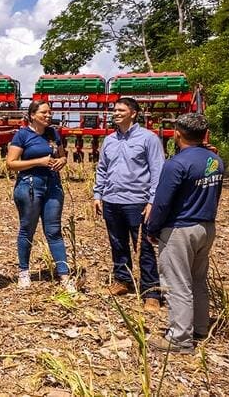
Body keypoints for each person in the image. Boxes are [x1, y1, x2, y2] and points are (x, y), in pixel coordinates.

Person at [146, 113, 224, 354]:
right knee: (198, 279)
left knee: (177, 283)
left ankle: (180, 338)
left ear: (177, 134)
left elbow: (162, 202)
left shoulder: (176, 164)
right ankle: (200, 327)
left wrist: (152, 228)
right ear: (204, 135)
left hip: (181, 229)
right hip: (206, 227)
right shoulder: (215, 160)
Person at [92, 97, 165, 313]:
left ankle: (151, 292)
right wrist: (98, 194)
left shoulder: (148, 139)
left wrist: (153, 200)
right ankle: (122, 281)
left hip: (138, 202)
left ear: (133, 113)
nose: (115, 113)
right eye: (114, 110)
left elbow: (157, 172)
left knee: (145, 247)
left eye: (120, 110)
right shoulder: (110, 140)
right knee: (117, 244)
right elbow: (102, 168)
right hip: (112, 200)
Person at [6, 101, 74, 293]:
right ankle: (24, 272)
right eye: (44, 112)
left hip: (52, 185)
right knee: (27, 229)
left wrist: (61, 160)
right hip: (29, 186)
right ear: (33, 115)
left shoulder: (53, 133)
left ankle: (64, 274)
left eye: (49, 112)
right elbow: (10, 163)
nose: (48, 115)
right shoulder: (22, 135)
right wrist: (39, 161)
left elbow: (62, 155)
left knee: (54, 230)